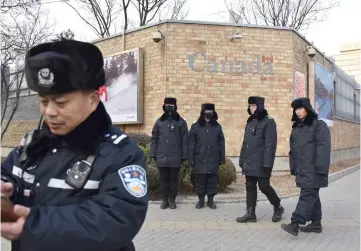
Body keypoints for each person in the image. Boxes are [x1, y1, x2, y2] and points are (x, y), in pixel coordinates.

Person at [0, 40, 148, 251]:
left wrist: (34, 223)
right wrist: (4, 191)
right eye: (43, 101)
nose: (49, 111)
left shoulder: (120, 154)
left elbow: (116, 220)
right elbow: (7, 177)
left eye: (60, 103)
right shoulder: (32, 145)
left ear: (93, 100)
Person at [281, 97, 331, 236]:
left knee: (307, 195)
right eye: (296, 109)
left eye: (300, 108)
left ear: (307, 109)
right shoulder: (297, 128)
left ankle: (295, 223)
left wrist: (321, 168)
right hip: (303, 169)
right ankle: (315, 224)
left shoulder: (319, 125)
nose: (298, 111)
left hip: (314, 169)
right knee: (312, 195)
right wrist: (294, 167)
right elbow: (293, 150)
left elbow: (324, 148)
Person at [236, 96, 284, 223]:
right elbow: (245, 143)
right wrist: (241, 159)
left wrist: (268, 163)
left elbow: (270, 145)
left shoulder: (269, 122)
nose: (251, 108)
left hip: (262, 162)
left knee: (264, 186)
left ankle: (278, 206)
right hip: (249, 161)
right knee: (250, 186)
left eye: (253, 105)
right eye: (250, 106)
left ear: (260, 106)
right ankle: (251, 213)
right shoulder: (250, 122)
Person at [150, 97, 188, 209]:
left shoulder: (181, 122)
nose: (169, 108)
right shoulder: (159, 122)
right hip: (161, 156)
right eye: (167, 105)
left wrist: (184, 155)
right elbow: (154, 139)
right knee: (163, 180)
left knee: (173, 180)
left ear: (175, 107)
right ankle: (164, 200)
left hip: (175, 157)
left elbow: (185, 140)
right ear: (164, 106)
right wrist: (153, 153)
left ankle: (172, 200)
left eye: (171, 105)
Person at [188, 103, 225, 209]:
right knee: (200, 181)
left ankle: (211, 201)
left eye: (211, 111)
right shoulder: (195, 127)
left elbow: (221, 143)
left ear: (213, 112)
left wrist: (221, 158)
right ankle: (200, 201)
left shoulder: (217, 127)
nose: (208, 113)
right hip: (200, 159)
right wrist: (191, 159)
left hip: (213, 159)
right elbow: (192, 144)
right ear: (202, 112)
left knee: (212, 181)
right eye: (206, 111)